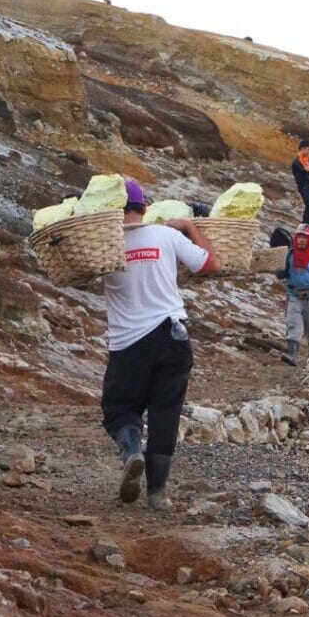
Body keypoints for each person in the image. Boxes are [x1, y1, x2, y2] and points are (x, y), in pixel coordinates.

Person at [101, 179, 220, 510]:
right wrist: (188, 226)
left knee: (119, 408)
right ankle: (157, 494)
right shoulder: (166, 235)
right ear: (145, 209)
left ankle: (130, 451)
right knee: (165, 412)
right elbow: (211, 264)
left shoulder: (104, 245)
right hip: (172, 335)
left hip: (128, 343)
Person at [277, 223, 309, 365]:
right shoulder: (290, 254)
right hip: (293, 294)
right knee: (293, 322)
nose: (301, 240)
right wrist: (279, 271)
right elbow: (284, 273)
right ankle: (292, 354)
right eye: (299, 236)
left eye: (305, 237)